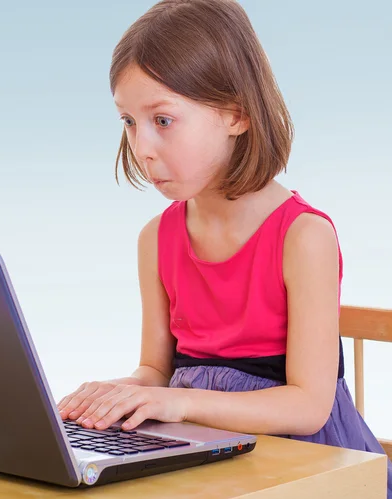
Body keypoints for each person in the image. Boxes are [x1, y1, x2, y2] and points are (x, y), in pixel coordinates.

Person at [56, 0, 392, 495]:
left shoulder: (303, 237)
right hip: (209, 449)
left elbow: (308, 406)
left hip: (306, 462)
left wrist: (178, 404)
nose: (141, 146)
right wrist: (115, 395)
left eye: (163, 120)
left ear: (236, 114)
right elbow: (157, 369)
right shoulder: (157, 237)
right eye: (128, 121)